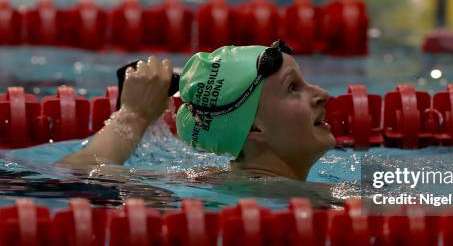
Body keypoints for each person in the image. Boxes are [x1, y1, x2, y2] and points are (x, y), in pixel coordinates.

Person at [57, 41, 336, 184]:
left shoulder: (203, 179)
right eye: (293, 88)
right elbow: (76, 175)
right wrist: (134, 114)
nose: (321, 94)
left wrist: (135, 115)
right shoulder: (295, 197)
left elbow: (82, 171)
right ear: (253, 129)